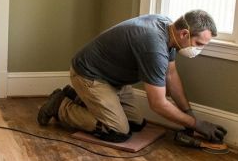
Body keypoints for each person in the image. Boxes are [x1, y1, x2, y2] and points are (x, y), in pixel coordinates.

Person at [37, 10, 228, 143]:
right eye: (199, 43)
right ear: (185, 33)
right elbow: (158, 104)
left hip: (114, 79)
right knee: (118, 132)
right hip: (90, 75)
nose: (199, 49)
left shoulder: (169, 31)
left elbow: (171, 75)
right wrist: (197, 124)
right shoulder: (153, 46)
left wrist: (188, 113)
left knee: (136, 124)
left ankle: (79, 98)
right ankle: (61, 105)